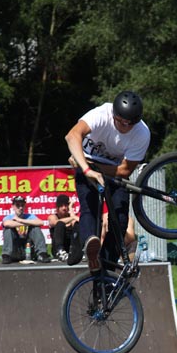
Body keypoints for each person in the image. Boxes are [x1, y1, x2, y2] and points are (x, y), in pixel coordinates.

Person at [65, 90, 150, 272]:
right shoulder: (101, 114)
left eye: (130, 124)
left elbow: (126, 169)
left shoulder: (142, 133)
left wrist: (95, 167)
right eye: (120, 122)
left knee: (119, 220)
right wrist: (86, 168)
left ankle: (106, 262)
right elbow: (72, 136)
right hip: (85, 163)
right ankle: (90, 245)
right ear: (114, 115)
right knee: (90, 208)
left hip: (114, 170)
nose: (124, 127)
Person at [2, 195, 51, 264]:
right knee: (8, 229)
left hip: (29, 248)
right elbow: (6, 223)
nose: (20, 208)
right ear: (13, 206)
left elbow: (41, 222)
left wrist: (20, 220)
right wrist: (26, 223)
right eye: (18, 205)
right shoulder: (9, 217)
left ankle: (42, 254)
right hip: (16, 249)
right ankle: (6, 255)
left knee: (35, 228)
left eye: (22, 205)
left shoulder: (30, 216)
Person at [47, 194, 82, 265]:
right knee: (60, 224)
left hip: (70, 247)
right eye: (61, 206)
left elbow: (79, 221)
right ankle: (60, 251)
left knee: (77, 225)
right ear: (57, 207)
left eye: (66, 206)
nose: (64, 208)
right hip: (57, 247)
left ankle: (78, 250)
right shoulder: (53, 216)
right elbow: (54, 222)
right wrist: (73, 217)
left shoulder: (71, 216)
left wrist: (71, 207)